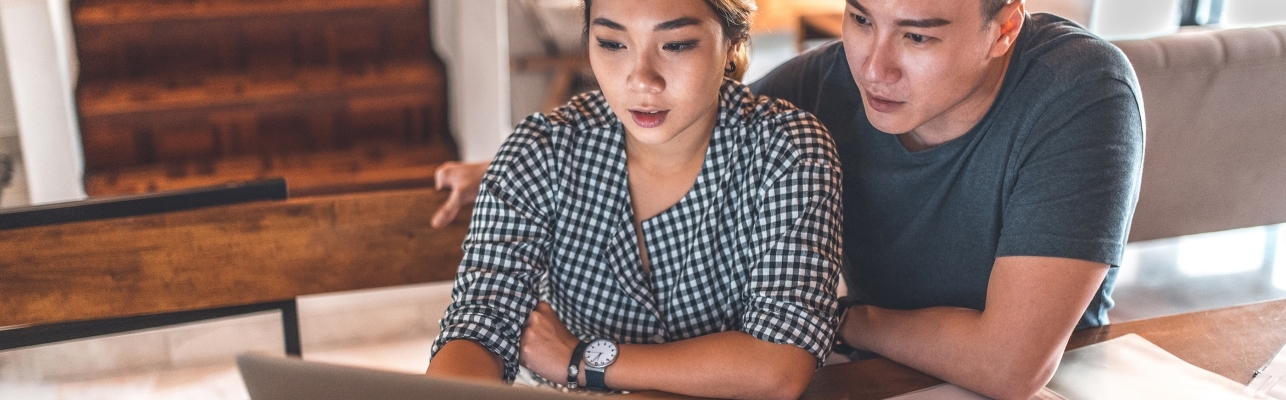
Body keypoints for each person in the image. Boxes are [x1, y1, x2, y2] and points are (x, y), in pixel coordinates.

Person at [430, 0, 1144, 398]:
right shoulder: (829, 85)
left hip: (1047, 381)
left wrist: (834, 321)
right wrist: (510, 169)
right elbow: (676, 123)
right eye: (861, 19)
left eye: (917, 35)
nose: (875, 65)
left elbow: (1010, 366)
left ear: (1004, 28)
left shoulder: (1078, 89)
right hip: (867, 376)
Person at [424, 0, 843, 399]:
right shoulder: (541, 151)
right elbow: (480, 325)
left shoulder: (787, 150)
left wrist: (581, 359)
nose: (642, 79)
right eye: (612, 44)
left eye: (675, 45)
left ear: (733, 43)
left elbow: (779, 367)